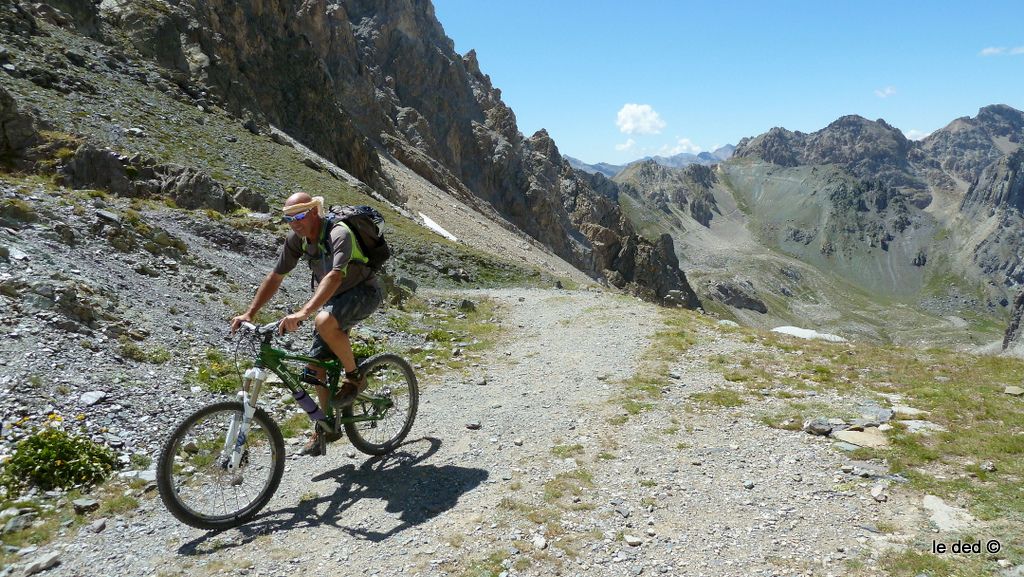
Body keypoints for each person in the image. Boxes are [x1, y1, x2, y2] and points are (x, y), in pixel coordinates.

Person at [231, 192, 384, 455]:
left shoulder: (339, 232)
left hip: (363, 292)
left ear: (314, 211)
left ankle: (355, 377)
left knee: (323, 320)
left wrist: (303, 312)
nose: (294, 222)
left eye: (300, 215)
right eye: (288, 218)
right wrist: (250, 313)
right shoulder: (298, 240)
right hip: (334, 298)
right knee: (315, 368)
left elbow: (335, 276)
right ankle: (326, 427)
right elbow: (276, 276)